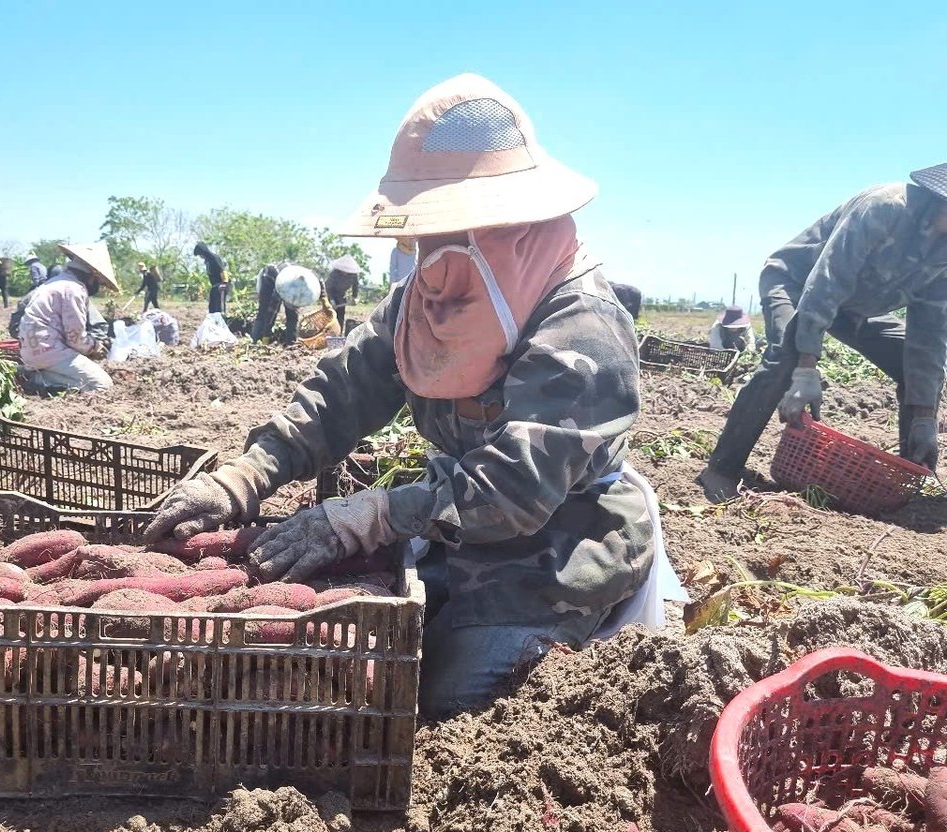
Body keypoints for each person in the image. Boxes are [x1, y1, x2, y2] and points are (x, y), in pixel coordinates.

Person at [145, 74, 670, 720]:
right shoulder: (432, 296)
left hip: (560, 557)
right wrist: (245, 475)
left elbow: (513, 492)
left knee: (450, 704)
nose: (425, 261)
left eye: (441, 237)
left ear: (511, 227)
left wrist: (364, 516)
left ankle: (561, 657)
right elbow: (345, 388)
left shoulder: (584, 329)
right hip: (458, 536)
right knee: (380, 649)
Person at [699, 166, 947, 502]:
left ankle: (905, 479)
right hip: (797, 284)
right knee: (784, 358)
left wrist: (924, 417)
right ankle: (721, 469)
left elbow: (929, 336)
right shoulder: (884, 208)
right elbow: (826, 282)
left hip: (857, 307)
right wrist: (805, 366)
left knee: (912, 366)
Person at [18, 242, 121, 392]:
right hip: (50, 352)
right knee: (102, 385)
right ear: (92, 276)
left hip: (32, 351)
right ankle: (37, 379)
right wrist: (94, 347)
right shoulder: (74, 289)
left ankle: (36, 373)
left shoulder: (55, 283)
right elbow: (76, 339)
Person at [325, 255, 361, 330]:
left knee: (340, 315)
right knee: (330, 315)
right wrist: (332, 300)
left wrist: (355, 297)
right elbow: (328, 288)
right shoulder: (334, 274)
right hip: (332, 293)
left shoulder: (354, 275)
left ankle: (339, 332)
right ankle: (329, 332)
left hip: (342, 295)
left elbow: (355, 286)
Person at [194, 241, 229, 314]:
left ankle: (222, 322)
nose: (200, 257)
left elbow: (222, 271)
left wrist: (224, 283)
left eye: (200, 254)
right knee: (212, 309)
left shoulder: (214, 258)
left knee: (220, 309)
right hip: (214, 286)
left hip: (221, 286)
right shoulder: (207, 261)